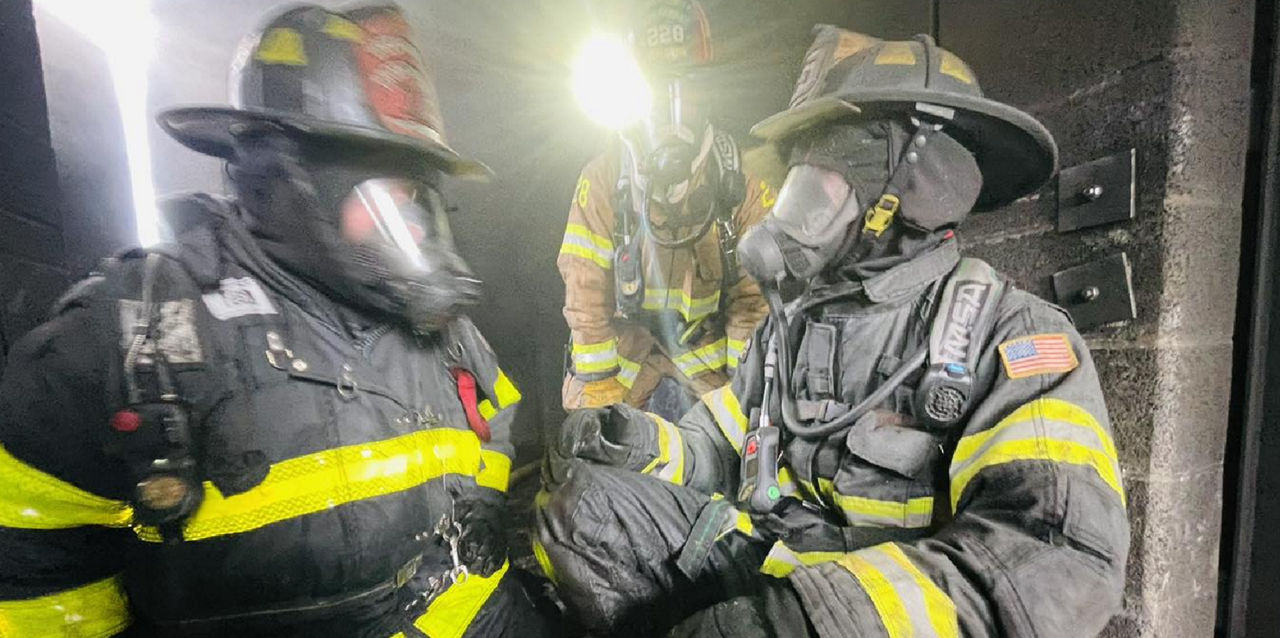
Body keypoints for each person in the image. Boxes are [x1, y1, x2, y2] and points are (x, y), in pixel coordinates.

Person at [535, 27, 1129, 638]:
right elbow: (720, 443)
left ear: (904, 193)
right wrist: (635, 440)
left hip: (867, 614)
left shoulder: (1012, 336)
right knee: (579, 509)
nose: (787, 217)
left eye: (819, 185)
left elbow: (1062, 555)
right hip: (769, 558)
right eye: (796, 186)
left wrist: (798, 622)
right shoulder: (796, 322)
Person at [0, 4, 549, 636]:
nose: (415, 229)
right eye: (387, 199)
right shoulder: (130, 336)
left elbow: (496, 428)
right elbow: (29, 552)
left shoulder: (449, 336)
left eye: (419, 200)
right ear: (286, 183)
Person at [558, 0, 774, 420]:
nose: (672, 113)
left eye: (686, 90)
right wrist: (602, 409)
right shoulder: (604, 180)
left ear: (707, 94)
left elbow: (755, 303)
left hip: (709, 381)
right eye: (656, 92)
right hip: (625, 374)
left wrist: (743, 405)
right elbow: (584, 296)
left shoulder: (741, 187)